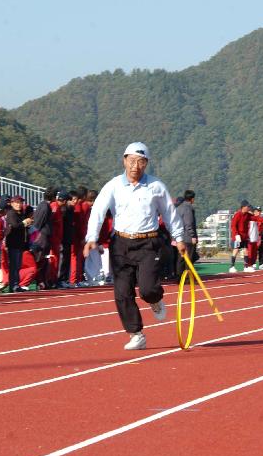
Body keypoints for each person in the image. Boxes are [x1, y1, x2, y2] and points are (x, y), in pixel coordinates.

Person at [84, 142, 185, 351]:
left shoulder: (156, 186)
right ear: (124, 161)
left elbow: (169, 213)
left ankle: (155, 299)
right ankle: (136, 334)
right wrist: (91, 237)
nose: (135, 166)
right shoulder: (113, 185)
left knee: (147, 288)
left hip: (149, 242)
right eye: (131, 161)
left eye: (140, 162)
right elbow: (98, 211)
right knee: (122, 292)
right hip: (121, 244)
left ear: (146, 164)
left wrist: (180, 237)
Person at [5, 195, 33, 293]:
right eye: (17, 202)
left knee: (17, 265)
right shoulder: (11, 213)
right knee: (14, 265)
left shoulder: (21, 213)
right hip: (13, 243)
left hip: (20, 243)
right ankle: (13, 285)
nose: (19, 204)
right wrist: (25, 222)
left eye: (20, 202)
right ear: (12, 203)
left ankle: (16, 284)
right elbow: (15, 225)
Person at [175, 190, 198, 278]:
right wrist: (193, 235)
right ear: (192, 199)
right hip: (188, 237)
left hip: (180, 237)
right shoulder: (188, 208)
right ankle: (188, 278)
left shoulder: (179, 207)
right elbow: (189, 223)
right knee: (189, 258)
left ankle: (179, 277)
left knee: (181, 258)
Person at [228, 201, 252, 273]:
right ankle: (232, 267)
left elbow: (255, 218)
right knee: (236, 250)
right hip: (237, 236)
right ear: (243, 207)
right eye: (247, 206)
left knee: (246, 250)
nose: (248, 208)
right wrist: (236, 234)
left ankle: (246, 267)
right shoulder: (237, 215)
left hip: (244, 236)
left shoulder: (248, 215)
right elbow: (233, 225)